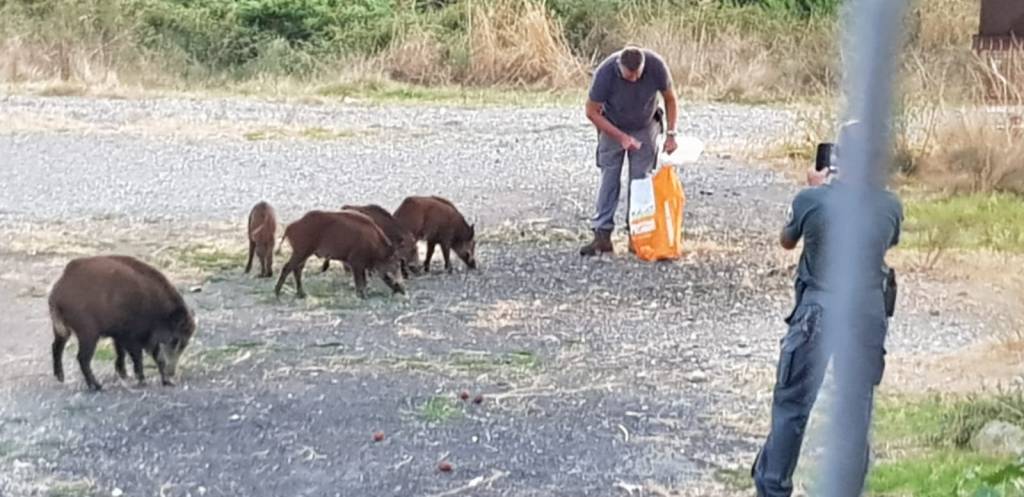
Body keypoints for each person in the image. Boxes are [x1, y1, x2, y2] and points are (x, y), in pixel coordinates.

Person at [751, 121, 904, 497]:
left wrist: (817, 190)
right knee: (855, 410)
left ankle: (773, 486)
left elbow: (787, 241)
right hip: (867, 311)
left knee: (792, 405)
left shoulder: (811, 200)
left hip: (818, 308)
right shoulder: (889, 206)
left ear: (838, 157)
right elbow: (889, 240)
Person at [579, 46, 679, 256]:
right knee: (609, 178)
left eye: (637, 75)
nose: (633, 79)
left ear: (644, 66)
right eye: (628, 75)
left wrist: (671, 134)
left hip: (645, 125)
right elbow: (591, 111)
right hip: (612, 124)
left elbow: (670, 98)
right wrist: (621, 137)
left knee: (640, 181)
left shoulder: (656, 65)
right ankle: (602, 235)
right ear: (619, 67)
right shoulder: (605, 73)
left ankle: (637, 235)